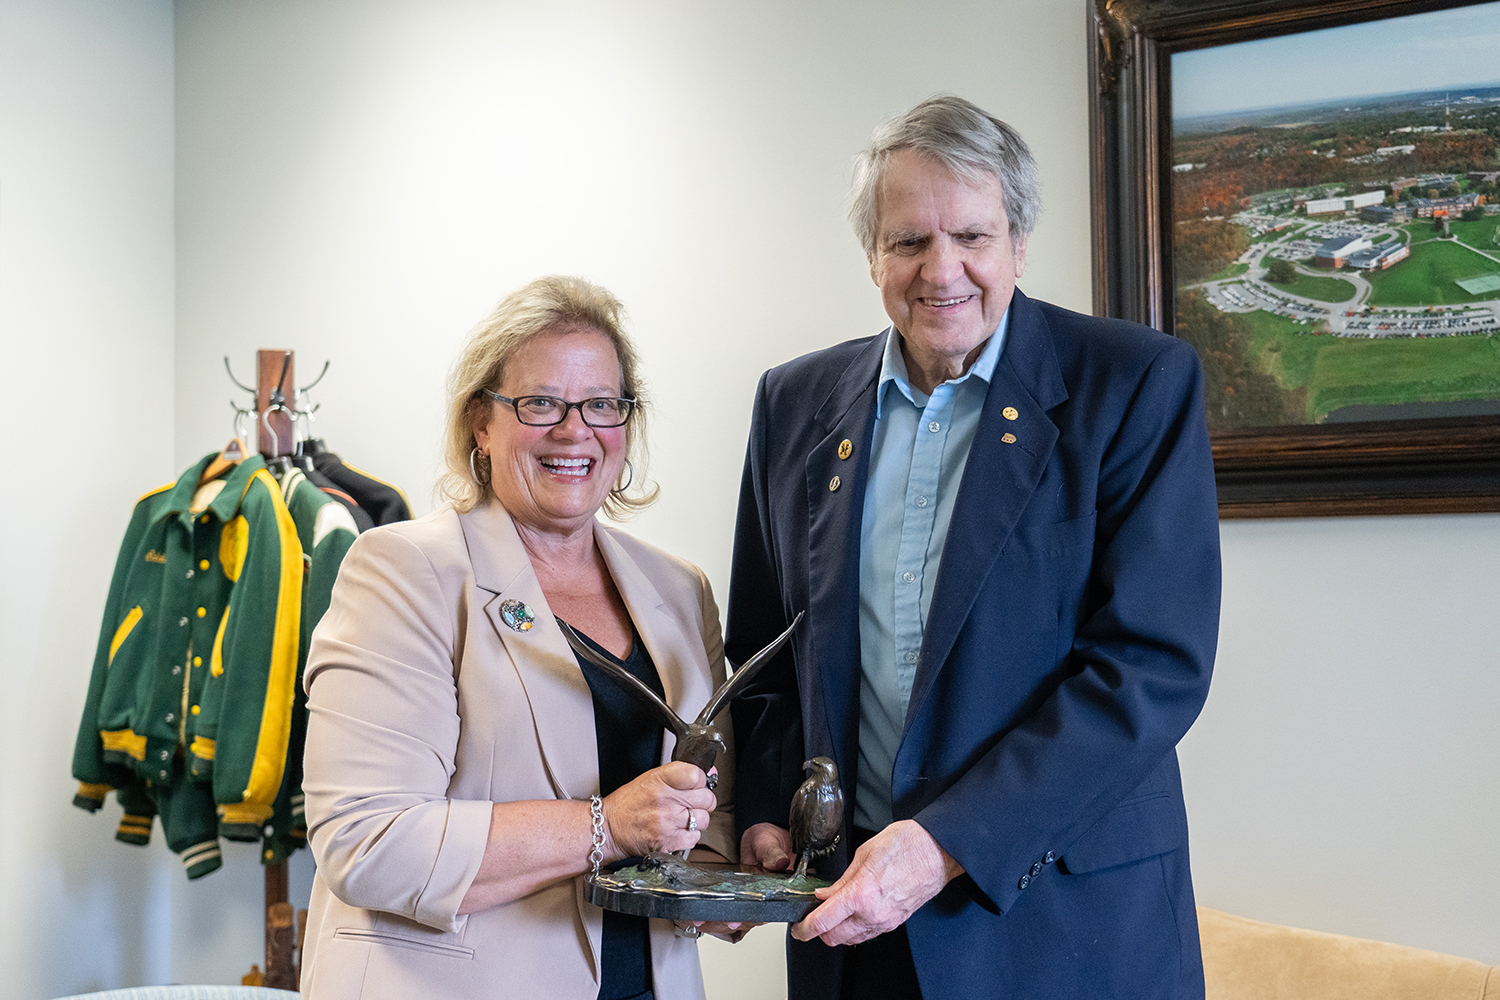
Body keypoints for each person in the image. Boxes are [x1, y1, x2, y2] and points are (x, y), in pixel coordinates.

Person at [727, 95, 1222, 999]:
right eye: (908, 240)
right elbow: (763, 657)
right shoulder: (792, 404)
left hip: (1060, 928)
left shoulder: (1135, 384)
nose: (940, 269)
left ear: (1019, 244)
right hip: (851, 927)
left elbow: (1150, 670)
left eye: (971, 236)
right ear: (872, 254)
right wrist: (764, 811)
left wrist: (946, 842)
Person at [299, 275, 738, 1000]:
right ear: (481, 422)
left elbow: (705, 813)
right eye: (540, 403)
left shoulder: (678, 589)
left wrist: (740, 863)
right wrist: (607, 826)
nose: (575, 431)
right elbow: (366, 841)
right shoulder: (405, 572)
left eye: (602, 403)